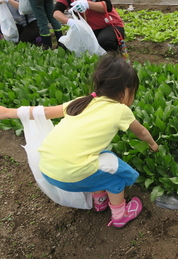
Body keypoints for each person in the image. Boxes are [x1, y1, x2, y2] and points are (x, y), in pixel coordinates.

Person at [0, 53, 159, 228]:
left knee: (97, 159)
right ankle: (120, 215)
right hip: (70, 175)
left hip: (46, 170)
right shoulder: (121, 110)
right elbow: (141, 132)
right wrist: (152, 144)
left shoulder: (81, 102)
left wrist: (9, 112)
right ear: (125, 91)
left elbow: (43, 112)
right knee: (115, 177)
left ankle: (99, 200)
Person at [53, 0, 125, 52]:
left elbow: (107, 6)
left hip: (109, 25)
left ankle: (112, 57)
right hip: (88, 28)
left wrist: (87, 4)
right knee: (65, 46)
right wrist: (70, 21)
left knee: (104, 41)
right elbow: (56, 12)